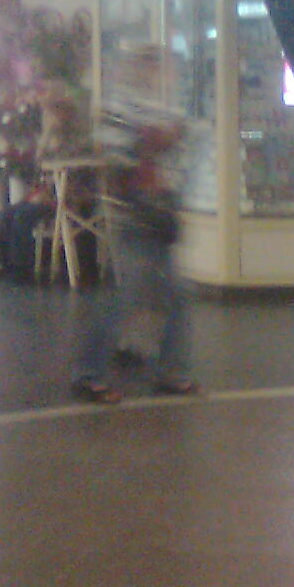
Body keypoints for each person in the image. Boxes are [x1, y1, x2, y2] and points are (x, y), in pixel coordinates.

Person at [72, 44, 198, 403]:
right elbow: (113, 159)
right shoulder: (119, 107)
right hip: (135, 212)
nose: (159, 73)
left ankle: (170, 372)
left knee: (176, 295)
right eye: (152, 65)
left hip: (158, 211)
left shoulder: (162, 108)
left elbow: (177, 155)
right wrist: (152, 144)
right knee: (125, 296)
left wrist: (170, 148)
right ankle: (89, 373)